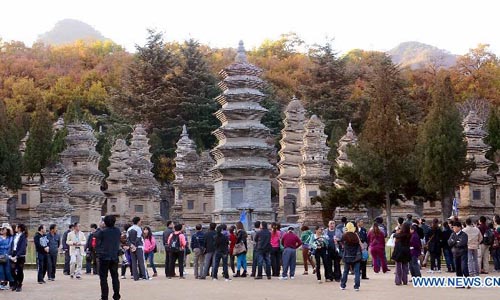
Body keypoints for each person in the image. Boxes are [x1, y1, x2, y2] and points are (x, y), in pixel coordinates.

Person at [95, 215, 121, 300]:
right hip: (114, 257)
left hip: (104, 257)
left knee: (103, 278)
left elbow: (96, 236)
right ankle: (116, 296)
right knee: (115, 277)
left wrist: (99, 227)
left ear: (105, 222)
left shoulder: (102, 232)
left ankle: (104, 297)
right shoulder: (118, 231)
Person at [340, 222, 362, 291]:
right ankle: (356, 286)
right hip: (356, 256)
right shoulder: (356, 235)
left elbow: (342, 244)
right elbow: (360, 244)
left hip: (347, 256)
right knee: (357, 272)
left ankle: (343, 285)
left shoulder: (344, 235)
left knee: (345, 271)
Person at [9, 224, 27, 292]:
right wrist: (10, 254)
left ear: (19, 228)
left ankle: (19, 284)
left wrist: (17, 255)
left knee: (20, 270)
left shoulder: (23, 236)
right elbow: (12, 245)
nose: (15, 228)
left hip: (20, 256)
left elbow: (22, 247)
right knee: (12, 270)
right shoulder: (15, 236)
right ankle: (15, 282)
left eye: (17, 227)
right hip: (13, 253)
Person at [0, 223, 13, 290]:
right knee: (1, 270)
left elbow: (12, 237)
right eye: (1, 229)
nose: (1, 230)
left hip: (7, 255)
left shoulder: (9, 238)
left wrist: (9, 228)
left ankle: (7, 282)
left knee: (7, 270)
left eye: (3, 229)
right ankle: (1, 283)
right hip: (0, 255)